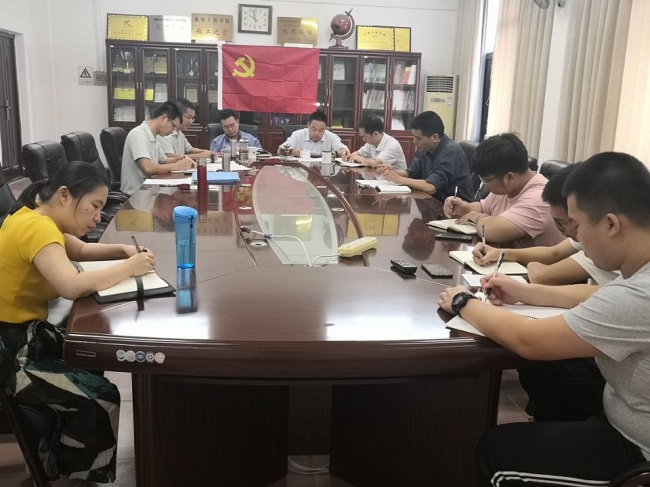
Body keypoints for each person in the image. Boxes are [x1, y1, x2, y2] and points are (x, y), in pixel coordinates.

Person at [438, 152, 650, 485]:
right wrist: (524, 292)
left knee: (498, 452)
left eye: (578, 226)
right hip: (620, 405)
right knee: (551, 376)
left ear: (611, 224)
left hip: (636, 447)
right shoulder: (638, 269)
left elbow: (529, 340)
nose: (574, 238)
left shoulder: (641, 293)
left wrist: (465, 302)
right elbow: (601, 297)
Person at [0, 161, 156, 482]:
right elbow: (70, 286)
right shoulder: (37, 228)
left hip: (27, 334)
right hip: (11, 353)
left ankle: (61, 454)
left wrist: (125, 251)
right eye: (94, 206)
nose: (98, 216)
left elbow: (82, 250)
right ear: (65, 195)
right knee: (102, 397)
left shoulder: (37, 216)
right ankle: (81, 477)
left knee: (90, 353)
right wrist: (131, 268)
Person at [472, 163, 620, 286]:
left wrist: (532, 266)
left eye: (561, 223)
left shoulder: (603, 245)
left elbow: (541, 276)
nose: (560, 232)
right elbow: (553, 253)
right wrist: (501, 253)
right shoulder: (593, 231)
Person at [443, 133, 564, 248]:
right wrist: (465, 208)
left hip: (530, 263)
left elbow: (490, 231)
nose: (485, 185)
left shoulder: (539, 199)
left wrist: (478, 217)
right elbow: (484, 208)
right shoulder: (508, 187)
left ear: (509, 177)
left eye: (486, 180)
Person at [376, 110, 473, 201]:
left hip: (453, 208)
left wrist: (399, 179)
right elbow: (412, 173)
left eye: (418, 138)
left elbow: (431, 187)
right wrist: (394, 171)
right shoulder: (428, 148)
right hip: (433, 202)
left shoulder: (450, 151)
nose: (414, 142)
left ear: (434, 137)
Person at [121, 101, 196, 195]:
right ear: (164, 118)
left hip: (150, 190)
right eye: (173, 126)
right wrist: (176, 166)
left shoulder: (154, 135)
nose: (172, 132)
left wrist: (183, 158)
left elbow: (164, 160)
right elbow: (147, 168)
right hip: (136, 195)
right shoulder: (139, 134)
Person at [280, 111, 350, 158]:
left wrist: (337, 153)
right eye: (314, 129)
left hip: (323, 171)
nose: (316, 133)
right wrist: (291, 150)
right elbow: (280, 150)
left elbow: (345, 151)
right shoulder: (297, 135)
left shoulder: (331, 137)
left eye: (321, 130)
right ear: (308, 125)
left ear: (325, 128)